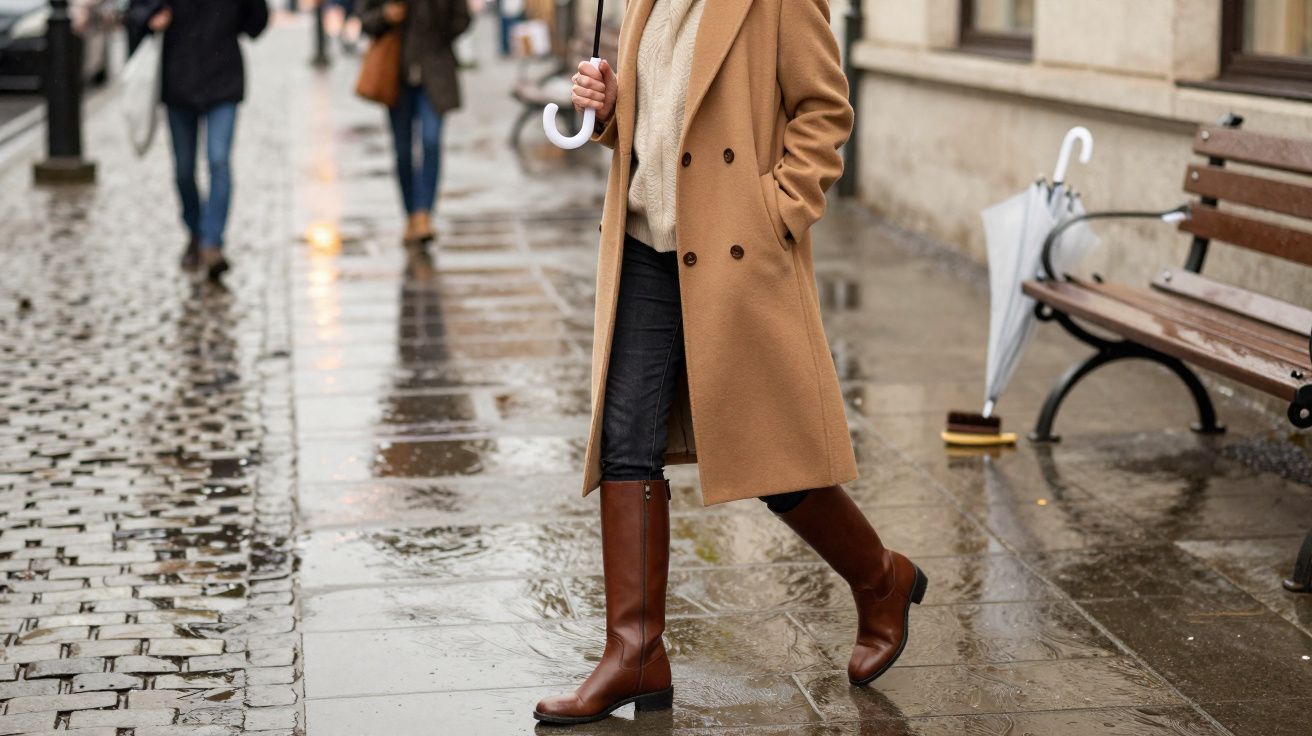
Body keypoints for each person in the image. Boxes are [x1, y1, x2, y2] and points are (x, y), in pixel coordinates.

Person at [532, 0, 928, 725]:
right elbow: (661, 126)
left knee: (770, 461)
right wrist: (615, 111)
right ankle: (635, 652)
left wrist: (776, 211)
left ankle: (881, 580)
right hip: (648, 247)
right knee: (626, 442)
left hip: (733, 253)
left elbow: (824, 110)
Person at [127, 0, 269, 281]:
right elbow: (135, 13)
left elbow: (256, 24)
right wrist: (151, 18)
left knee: (218, 160)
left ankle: (211, 243)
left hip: (223, 80)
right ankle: (195, 230)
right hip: (178, 82)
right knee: (183, 170)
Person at [359, 0, 471, 246]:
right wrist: (386, 16)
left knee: (431, 141)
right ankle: (410, 214)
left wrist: (438, 36)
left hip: (435, 72)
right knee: (402, 149)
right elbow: (364, 19)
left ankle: (423, 214)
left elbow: (462, 18)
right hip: (395, 73)